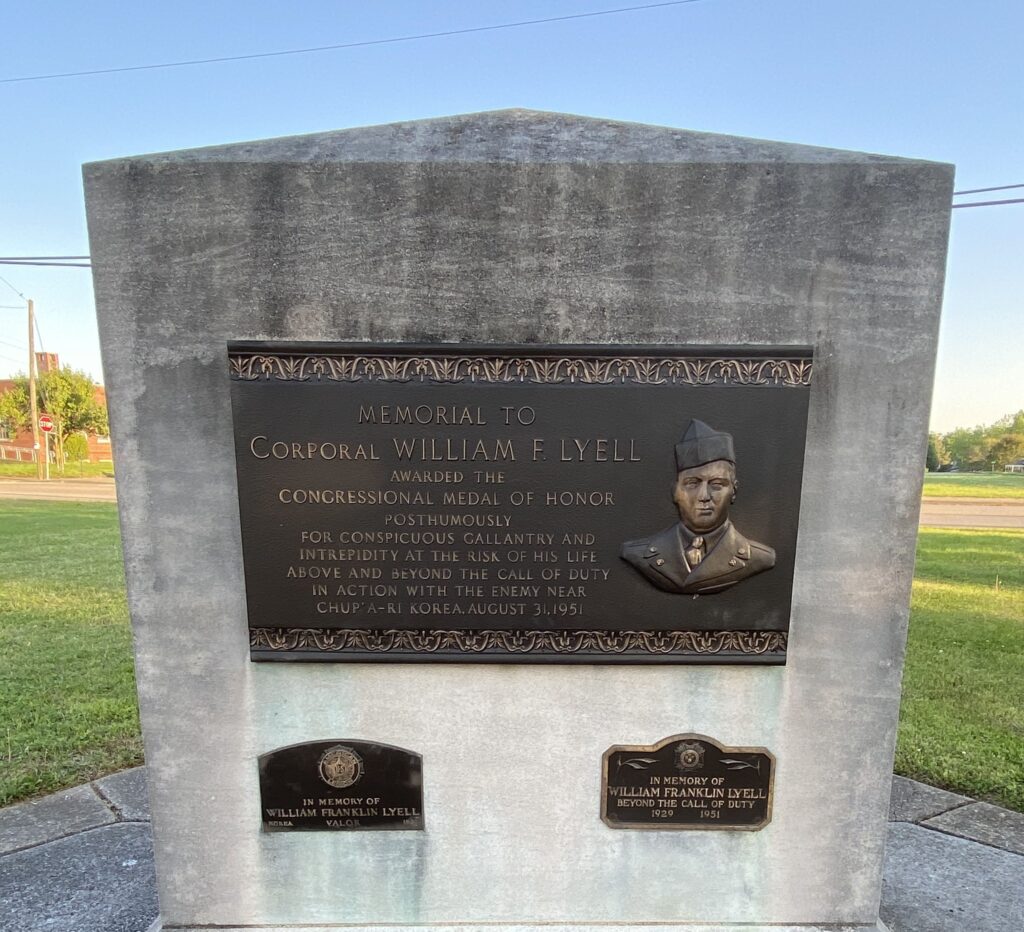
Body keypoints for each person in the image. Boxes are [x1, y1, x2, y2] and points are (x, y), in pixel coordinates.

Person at [620, 419, 775, 595]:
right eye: (692, 483)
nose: (704, 496)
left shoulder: (760, 558)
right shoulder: (638, 553)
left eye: (717, 484)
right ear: (675, 491)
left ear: (734, 491)